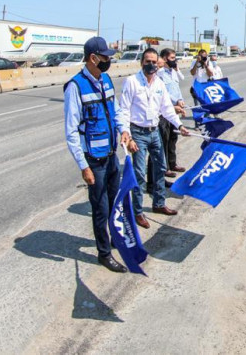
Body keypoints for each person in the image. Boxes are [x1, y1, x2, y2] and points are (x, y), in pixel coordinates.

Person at [63, 37, 127, 273]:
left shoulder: (106, 79)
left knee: (113, 203)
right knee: (99, 209)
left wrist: (124, 131)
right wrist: (83, 166)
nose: (109, 60)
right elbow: (71, 132)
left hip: (111, 155)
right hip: (94, 161)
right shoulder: (76, 87)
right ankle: (104, 253)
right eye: (106, 57)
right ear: (93, 58)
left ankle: (112, 239)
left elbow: (116, 111)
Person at [117, 48, 191, 229]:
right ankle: (137, 212)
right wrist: (126, 133)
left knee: (160, 168)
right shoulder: (132, 82)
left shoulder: (159, 84)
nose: (151, 65)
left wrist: (180, 125)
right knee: (140, 174)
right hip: (138, 133)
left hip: (154, 131)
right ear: (141, 62)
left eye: (153, 62)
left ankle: (159, 203)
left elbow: (166, 109)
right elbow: (124, 110)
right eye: (147, 61)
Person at [157, 48, 188, 178]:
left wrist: (180, 100)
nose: (174, 61)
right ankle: (165, 168)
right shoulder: (159, 74)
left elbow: (176, 89)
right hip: (165, 111)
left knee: (173, 139)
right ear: (164, 59)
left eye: (175, 58)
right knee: (164, 139)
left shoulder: (173, 72)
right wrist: (174, 103)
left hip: (175, 111)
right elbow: (163, 93)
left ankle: (172, 163)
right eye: (171, 58)